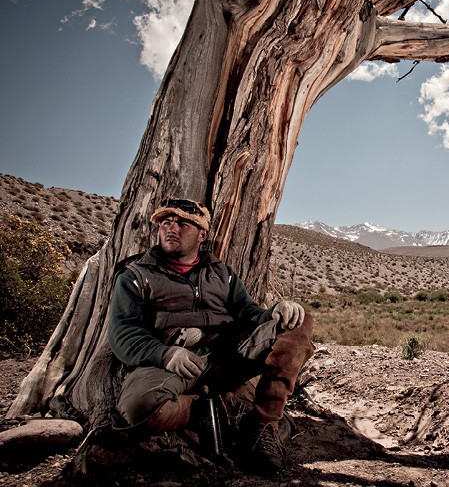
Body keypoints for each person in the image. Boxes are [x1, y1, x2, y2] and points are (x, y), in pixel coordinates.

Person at [108, 198, 314, 475]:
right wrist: (165, 354)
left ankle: (263, 426)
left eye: (182, 223)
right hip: (177, 360)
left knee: (299, 322)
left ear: (202, 234)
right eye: (165, 223)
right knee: (139, 408)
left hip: (229, 353)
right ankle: (209, 408)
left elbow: (249, 313)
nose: (172, 228)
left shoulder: (221, 273)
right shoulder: (136, 274)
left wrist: (277, 311)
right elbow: (124, 332)